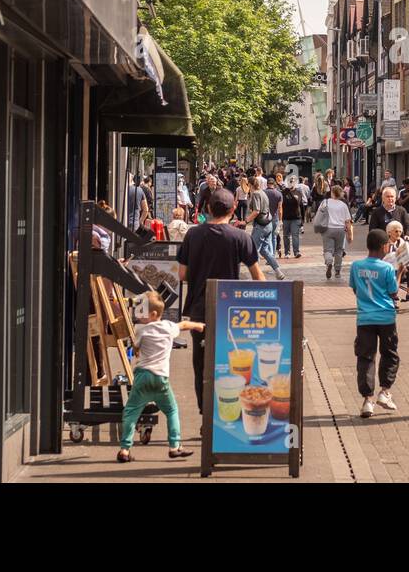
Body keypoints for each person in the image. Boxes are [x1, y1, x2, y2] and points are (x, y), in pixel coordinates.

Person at [177, 190, 264, 412]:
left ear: (207, 209)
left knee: (202, 365)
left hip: (199, 309)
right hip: (232, 311)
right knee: (231, 363)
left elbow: (182, 274)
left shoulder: (192, 235)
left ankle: (205, 414)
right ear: (233, 209)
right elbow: (258, 277)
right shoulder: (240, 237)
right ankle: (226, 414)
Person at [116, 291, 203, 463]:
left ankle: (125, 450)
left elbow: (135, 347)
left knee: (131, 413)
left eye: (142, 312)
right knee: (171, 410)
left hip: (142, 377)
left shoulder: (140, 329)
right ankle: (174, 446)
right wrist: (198, 325)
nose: (139, 316)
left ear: (153, 314)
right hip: (161, 379)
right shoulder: (169, 327)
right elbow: (184, 324)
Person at [352, 229, 401, 417]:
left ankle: (367, 400)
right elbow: (393, 292)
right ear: (383, 246)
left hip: (364, 318)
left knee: (365, 357)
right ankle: (385, 391)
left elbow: (356, 289)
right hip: (386, 317)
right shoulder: (387, 268)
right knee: (389, 354)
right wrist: (400, 273)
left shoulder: (356, 266)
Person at [244, 176, 286, 281]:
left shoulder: (256, 194)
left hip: (260, 226)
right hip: (268, 224)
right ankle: (278, 272)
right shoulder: (263, 192)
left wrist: (245, 221)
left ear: (249, 185)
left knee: (253, 250)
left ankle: (256, 276)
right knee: (264, 250)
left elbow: (256, 211)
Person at [314, 183, 355, 279]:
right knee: (339, 251)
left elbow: (319, 214)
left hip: (327, 229)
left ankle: (328, 263)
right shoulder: (343, 205)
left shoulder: (325, 202)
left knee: (328, 250)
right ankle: (337, 271)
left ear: (332, 193)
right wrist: (350, 234)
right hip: (340, 230)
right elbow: (348, 222)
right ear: (340, 194)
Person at [384, 220, 409, 292]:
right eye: (396, 231)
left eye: (400, 231)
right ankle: (393, 290)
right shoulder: (385, 243)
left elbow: (406, 257)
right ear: (389, 232)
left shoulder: (402, 242)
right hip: (389, 268)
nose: (398, 234)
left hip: (400, 267)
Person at [280, 179, 304, 259]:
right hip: (286, 217)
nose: (291, 183)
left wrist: (302, 220)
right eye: (290, 182)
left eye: (293, 182)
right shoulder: (283, 193)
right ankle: (287, 252)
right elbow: (280, 206)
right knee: (286, 235)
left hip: (296, 217)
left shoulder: (298, 192)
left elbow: (301, 206)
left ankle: (296, 252)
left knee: (295, 235)